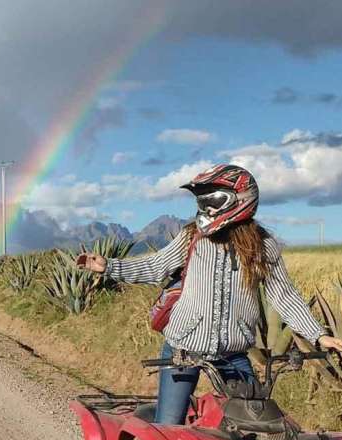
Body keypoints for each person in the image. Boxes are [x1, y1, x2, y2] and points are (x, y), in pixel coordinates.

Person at [77, 163, 342, 425]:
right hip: (183, 348)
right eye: (203, 201)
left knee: (253, 426)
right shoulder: (192, 237)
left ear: (241, 199)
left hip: (234, 355)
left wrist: (318, 335)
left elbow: (283, 295)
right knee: (169, 426)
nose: (207, 209)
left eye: (214, 200)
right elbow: (156, 266)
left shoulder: (263, 247)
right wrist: (109, 266)